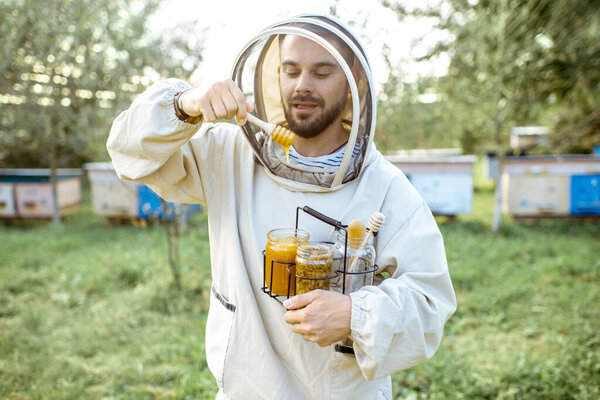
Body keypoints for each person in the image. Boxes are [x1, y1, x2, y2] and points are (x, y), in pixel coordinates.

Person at [108, 15, 456, 400]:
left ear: (353, 80)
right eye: (291, 71)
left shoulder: (386, 187)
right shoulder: (227, 156)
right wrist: (183, 105)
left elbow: (431, 301)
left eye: (322, 72)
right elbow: (128, 152)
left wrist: (354, 315)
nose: (302, 86)